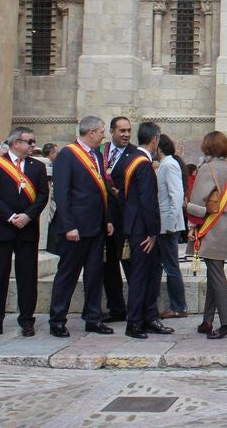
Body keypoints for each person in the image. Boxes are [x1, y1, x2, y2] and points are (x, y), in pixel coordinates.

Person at [0, 126, 49, 337]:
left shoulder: (37, 167)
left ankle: (27, 320)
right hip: (0, 227)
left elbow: (43, 195)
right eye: (30, 141)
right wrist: (10, 216)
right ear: (16, 143)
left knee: (27, 276)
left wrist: (28, 216)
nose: (33, 145)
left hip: (27, 228)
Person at [48, 116, 115, 338]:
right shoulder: (68, 154)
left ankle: (93, 317)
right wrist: (69, 225)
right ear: (91, 131)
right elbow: (62, 193)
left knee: (94, 275)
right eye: (102, 131)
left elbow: (100, 190)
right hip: (75, 228)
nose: (104, 135)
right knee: (67, 275)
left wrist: (106, 219)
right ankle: (57, 319)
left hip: (96, 227)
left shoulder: (96, 154)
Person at [113, 122, 171, 339]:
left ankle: (148, 316)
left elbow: (117, 182)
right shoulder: (144, 164)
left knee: (148, 273)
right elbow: (148, 201)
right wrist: (153, 233)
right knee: (142, 275)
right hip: (143, 230)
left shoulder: (129, 159)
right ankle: (135, 321)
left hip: (132, 225)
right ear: (155, 139)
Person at [186, 131, 227, 339]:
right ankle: (207, 320)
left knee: (217, 277)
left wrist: (190, 220)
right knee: (213, 274)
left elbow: (199, 202)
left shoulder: (206, 169)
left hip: (211, 229)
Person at [99, 116, 133, 322]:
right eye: (122, 131)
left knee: (131, 265)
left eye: (128, 130)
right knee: (108, 266)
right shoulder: (99, 153)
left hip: (125, 218)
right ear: (112, 131)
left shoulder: (134, 154)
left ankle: (139, 307)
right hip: (105, 218)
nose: (126, 134)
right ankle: (116, 308)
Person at [155, 134, 188, 319]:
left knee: (171, 266)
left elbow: (176, 195)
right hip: (165, 223)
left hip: (168, 224)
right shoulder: (165, 165)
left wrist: (170, 223)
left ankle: (179, 306)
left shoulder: (169, 165)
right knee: (166, 264)